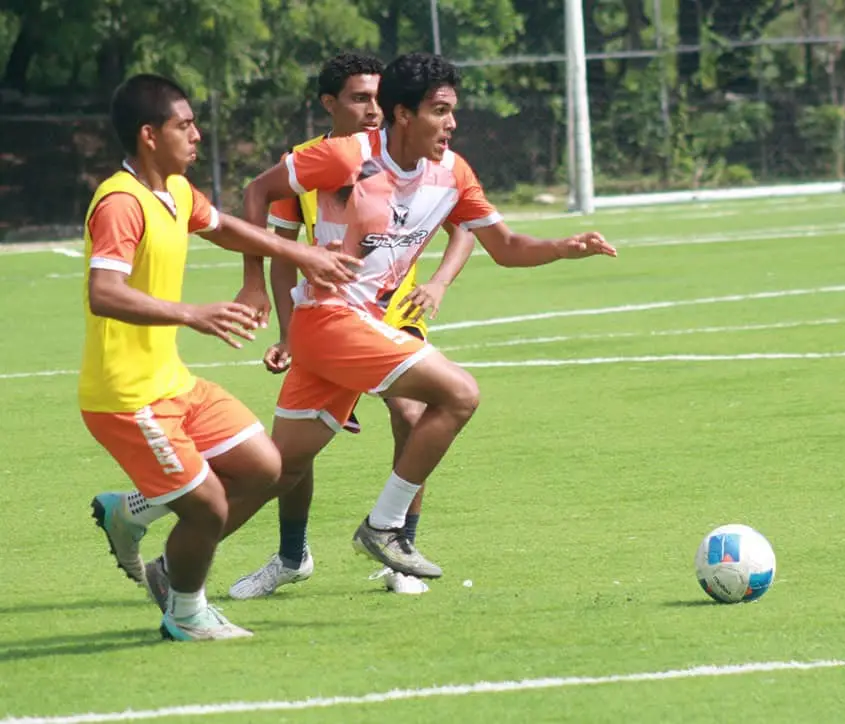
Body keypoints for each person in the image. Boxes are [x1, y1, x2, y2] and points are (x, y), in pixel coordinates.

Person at [239, 52, 616, 582]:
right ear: (404, 115)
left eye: (452, 110)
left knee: (281, 465)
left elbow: (504, 247)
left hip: (373, 320)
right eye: (441, 110)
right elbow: (260, 194)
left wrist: (562, 246)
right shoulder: (340, 157)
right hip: (329, 320)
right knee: (458, 393)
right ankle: (379, 529)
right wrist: (254, 284)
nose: (453, 123)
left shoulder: (453, 172)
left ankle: (150, 520)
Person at [84, 73, 360, 641]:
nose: (197, 135)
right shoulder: (120, 202)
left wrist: (298, 252)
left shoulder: (176, 191)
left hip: (172, 383)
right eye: (184, 125)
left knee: (266, 468)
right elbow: (103, 293)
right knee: (207, 508)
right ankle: (185, 613)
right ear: (148, 135)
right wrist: (193, 313)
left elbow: (227, 227)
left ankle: (131, 513)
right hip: (127, 396)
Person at [229, 52, 477, 599]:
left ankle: (398, 551)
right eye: (359, 98)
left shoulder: (417, 156)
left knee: (415, 415)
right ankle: (292, 556)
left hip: (391, 311)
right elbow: (282, 248)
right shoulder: (308, 163)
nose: (372, 109)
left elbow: (467, 224)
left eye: (378, 98)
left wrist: (436, 284)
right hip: (328, 314)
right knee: (292, 456)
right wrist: (290, 333)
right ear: (329, 104)